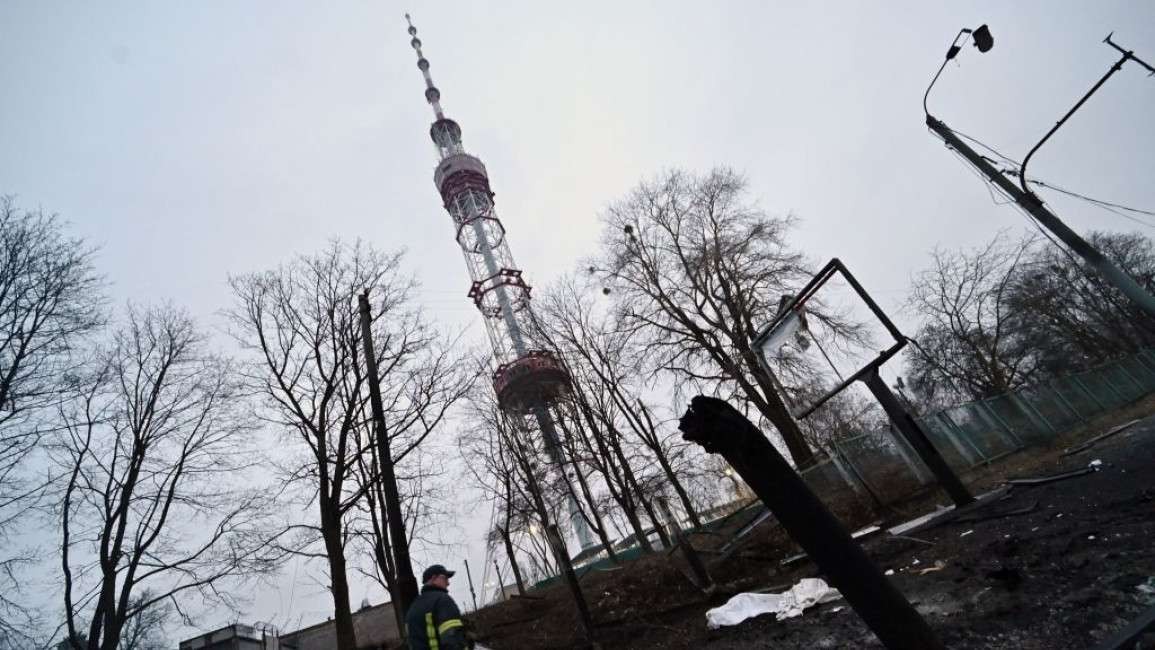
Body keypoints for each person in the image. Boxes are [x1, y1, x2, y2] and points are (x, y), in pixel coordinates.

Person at [405, 564, 467, 649]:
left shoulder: (412, 608)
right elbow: (453, 640)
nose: (448, 583)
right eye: (445, 578)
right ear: (434, 578)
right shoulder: (442, 600)